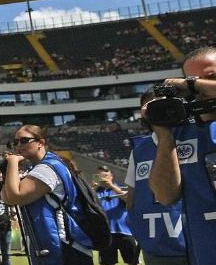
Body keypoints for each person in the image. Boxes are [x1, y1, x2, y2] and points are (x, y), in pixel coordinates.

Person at [149, 47, 216, 265]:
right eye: (193, 80)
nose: (199, 88)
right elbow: (166, 196)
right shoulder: (181, 133)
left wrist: (189, 83)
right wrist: (163, 133)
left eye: (211, 77)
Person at [2, 125, 93, 265]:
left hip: (64, 246)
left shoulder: (47, 169)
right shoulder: (41, 168)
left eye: (24, 140)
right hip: (51, 244)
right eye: (15, 142)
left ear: (41, 143)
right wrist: (8, 171)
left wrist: (13, 163)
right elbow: (8, 199)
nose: (18, 145)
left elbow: (15, 196)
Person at [124, 89, 187, 265]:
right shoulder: (139, 151)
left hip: (196, 241)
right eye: (151, 106)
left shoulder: (196, 136)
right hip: (156, 247)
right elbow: (132, 198)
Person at [93, 165, 138, 265]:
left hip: (125, 232)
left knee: (133, 261)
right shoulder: (96, 192)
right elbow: (87, 201)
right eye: (100, 176)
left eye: (105, 175)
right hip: (106, 233)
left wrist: (111, 186)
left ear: (111, 176)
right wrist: (95, 186)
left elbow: (128, 200)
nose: (103, 178)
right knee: (106, 262)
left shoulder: (119, 188)